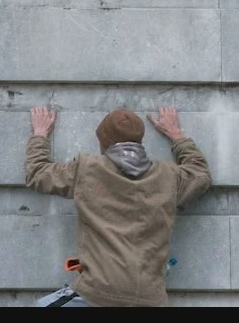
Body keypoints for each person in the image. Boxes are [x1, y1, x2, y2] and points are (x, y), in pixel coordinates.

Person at [24, 105, 211, 308]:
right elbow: (200, 175)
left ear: (103, 142)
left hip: (96, 294)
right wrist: (177, 135)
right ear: (140, 140)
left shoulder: (86, 169)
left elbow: (39, 174)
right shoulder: (168, 176)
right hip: (151, 298)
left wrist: (40, 134)